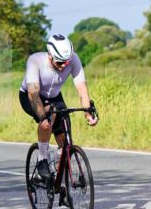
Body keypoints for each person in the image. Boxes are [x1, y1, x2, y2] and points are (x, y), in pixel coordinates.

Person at [19, 34, 98, 180]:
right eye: (60, 62)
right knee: (48, 119)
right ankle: (42, 159)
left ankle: (60, 169)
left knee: (64, 128)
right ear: (50, 55)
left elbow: (82, 90)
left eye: (66, 62)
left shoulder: (74, 59)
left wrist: (87, 113)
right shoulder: (35, 61)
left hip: (54, 96)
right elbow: (33, 94)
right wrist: (42, 117)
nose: (63, 66)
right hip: (31, 96)